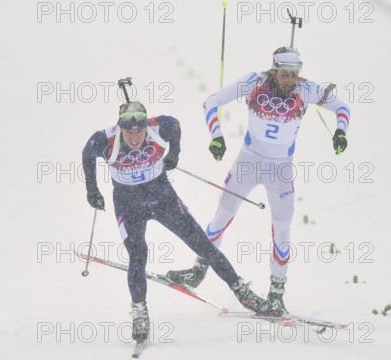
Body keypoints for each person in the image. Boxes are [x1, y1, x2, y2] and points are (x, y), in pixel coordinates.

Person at [166, 47, 351, 317]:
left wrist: (340, 132)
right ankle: (197, 271)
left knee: (282, 228)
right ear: (274, 69)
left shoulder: (307, 89)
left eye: (294, 73)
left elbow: (342, 108)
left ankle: (276, 295)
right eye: (285, 73)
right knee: (222, 215)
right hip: (248, 162)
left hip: (281, 170)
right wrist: (216, 135)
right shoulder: (254, 82)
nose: (290, 79)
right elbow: (210, 102)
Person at [82, 100, 268, 342]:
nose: (135, 137)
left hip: (163, 199)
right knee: (138, 254)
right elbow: (87, 155)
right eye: (129, 132)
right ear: (120, 128)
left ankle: (243, 293)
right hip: (128, 206)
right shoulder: (104, 139)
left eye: (139, 130)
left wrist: (174, 154)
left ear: (145, 125)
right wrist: (92, 190)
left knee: (202, 245)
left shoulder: (160, 128)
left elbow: (176, 125)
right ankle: (139, 312)